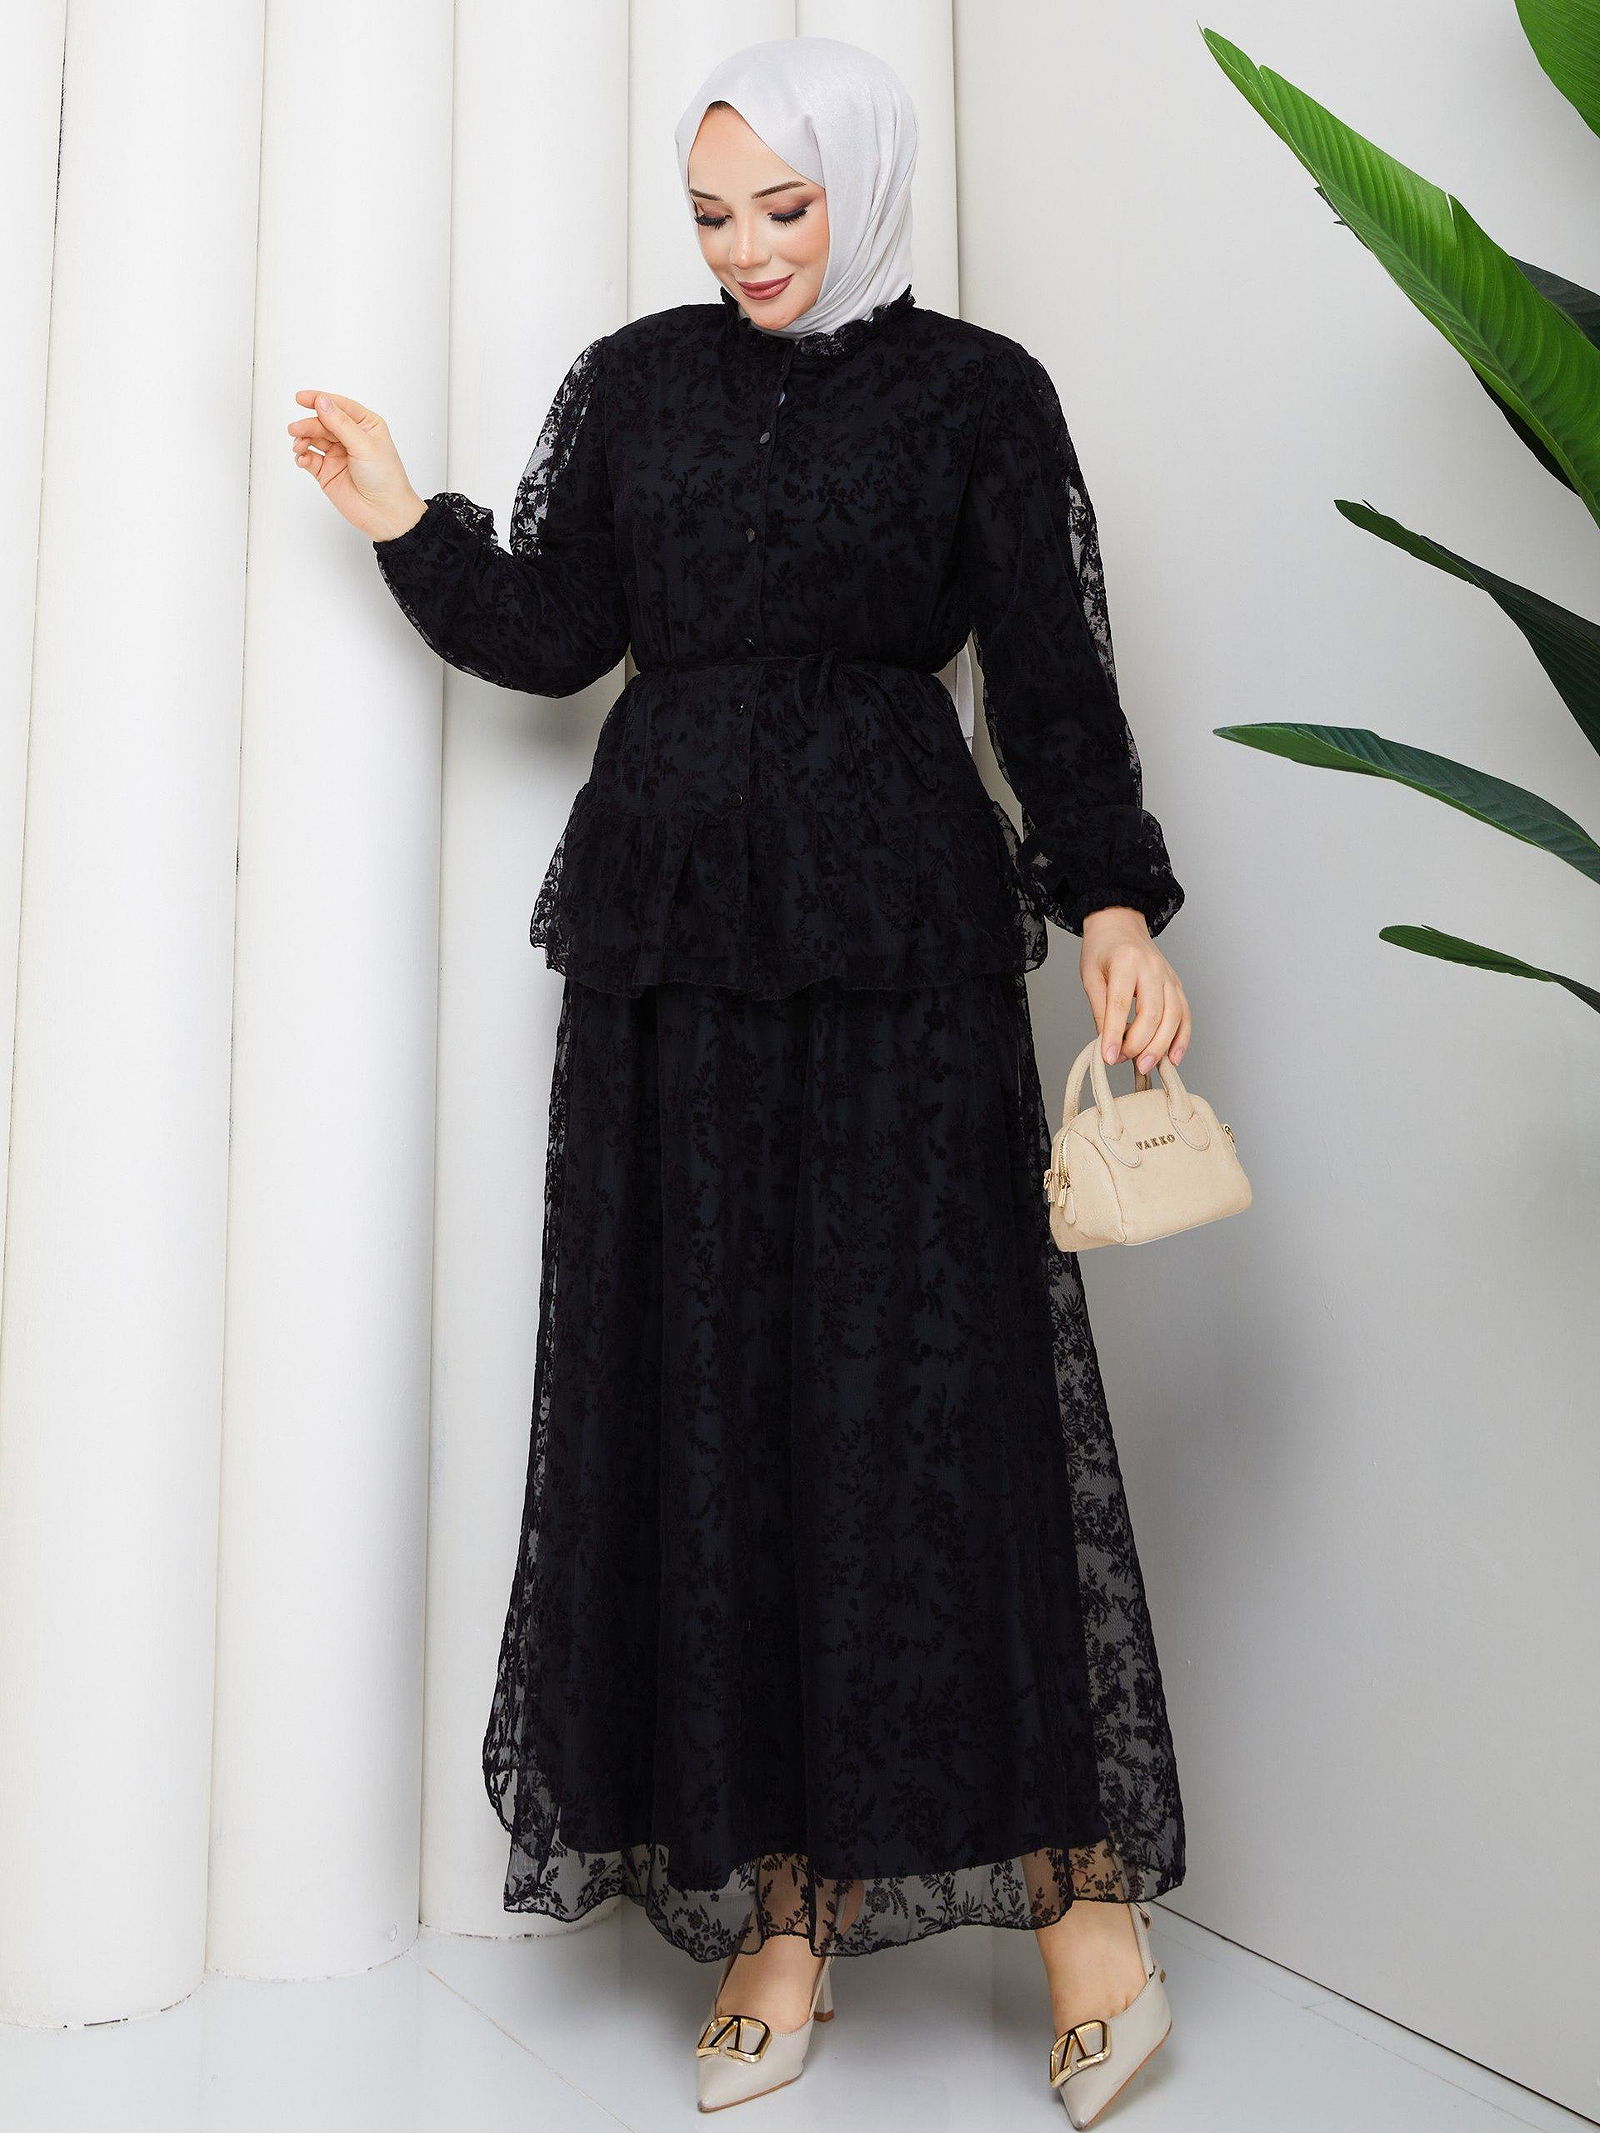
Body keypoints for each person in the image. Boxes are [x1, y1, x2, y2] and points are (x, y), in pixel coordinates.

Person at [288, 33, 1189, 2124]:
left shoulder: (978, 393)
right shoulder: (634, 383)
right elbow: (557, 629)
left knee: (941, 1394)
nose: (748, 250)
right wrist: (402, 518)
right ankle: (781, 1911)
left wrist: (1113, 905)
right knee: (712, 1394)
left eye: (784, 206)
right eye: (711, 215)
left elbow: (1052, 677)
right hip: (671, 942)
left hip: (895, 934)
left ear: (859, 185)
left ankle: (1082, 1904)